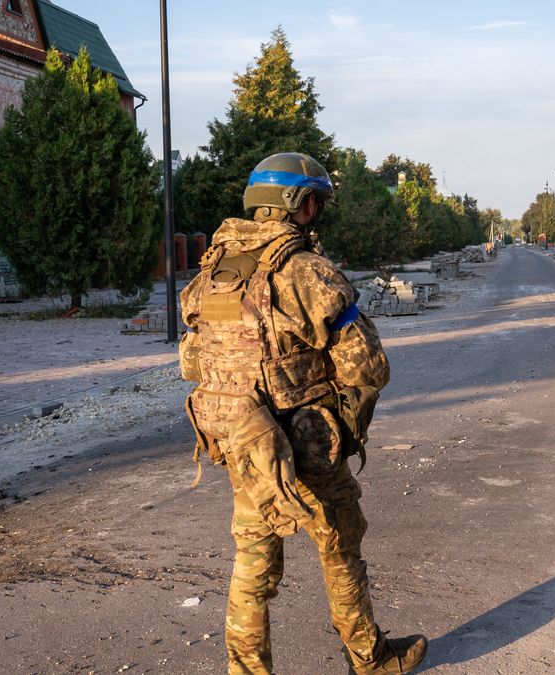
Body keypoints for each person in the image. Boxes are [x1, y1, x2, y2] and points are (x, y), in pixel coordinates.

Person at [178, 152, 428, 674]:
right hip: (307, 439)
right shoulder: (306, 271)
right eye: (316, 200)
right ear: (301, 204)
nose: (318, 210)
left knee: (252, 562)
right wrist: (343, 422)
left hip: (244, 444)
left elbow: (193, 362)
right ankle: (371, 658)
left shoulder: (210, 276)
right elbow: (368, 364)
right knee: (339, 545)